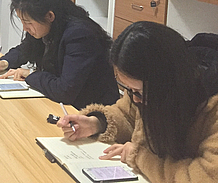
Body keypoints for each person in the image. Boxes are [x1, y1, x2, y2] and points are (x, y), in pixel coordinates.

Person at [57, 22, 218, 182]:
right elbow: (126, 114)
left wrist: (139, 156)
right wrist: (95, 123)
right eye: (129, 89)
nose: (134, 99)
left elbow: (204, 177)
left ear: (166, 82)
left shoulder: (211, 108)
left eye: (139, 92)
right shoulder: (148, 90)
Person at [0, 0, 119, 109]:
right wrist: (5, 62)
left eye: (28, 22)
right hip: (64, 104)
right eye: (21, 20)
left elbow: (64, 91)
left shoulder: (80, 35)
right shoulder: (48, 26)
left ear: (50, 16)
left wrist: (31, 74)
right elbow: (27, 48)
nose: (25, 28)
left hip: (92, 112)